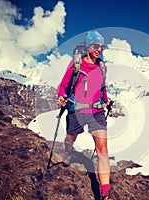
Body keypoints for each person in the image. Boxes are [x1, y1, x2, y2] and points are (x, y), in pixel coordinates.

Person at [57, 30, 111, 200]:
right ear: (88, 46)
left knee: (103, 150)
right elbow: (63, 86)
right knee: (71, 136)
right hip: (76, 109)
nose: (100, 50)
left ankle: (104, 192)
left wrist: (107, 101)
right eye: (96, 46)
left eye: (102, 47)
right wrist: (61, 97)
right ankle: (68, 151)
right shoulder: (76, 65)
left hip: (96, 111)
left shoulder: (102, 67)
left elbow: (103, 89)